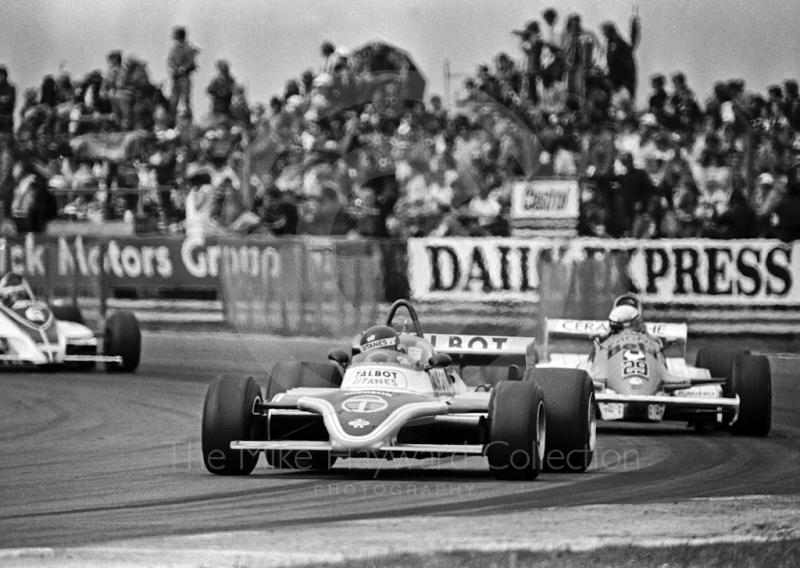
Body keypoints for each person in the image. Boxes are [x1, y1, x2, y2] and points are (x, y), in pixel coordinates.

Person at [167, 26, 198, 119]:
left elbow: (190, 61)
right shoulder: (174, 48)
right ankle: (171, 121)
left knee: (185, 101)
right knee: (173, 100)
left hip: (184, 77)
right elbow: (170, 60)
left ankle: (187, 121)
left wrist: (183, 68)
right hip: (176, 76)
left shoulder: (188, 48)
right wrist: (175, 68)